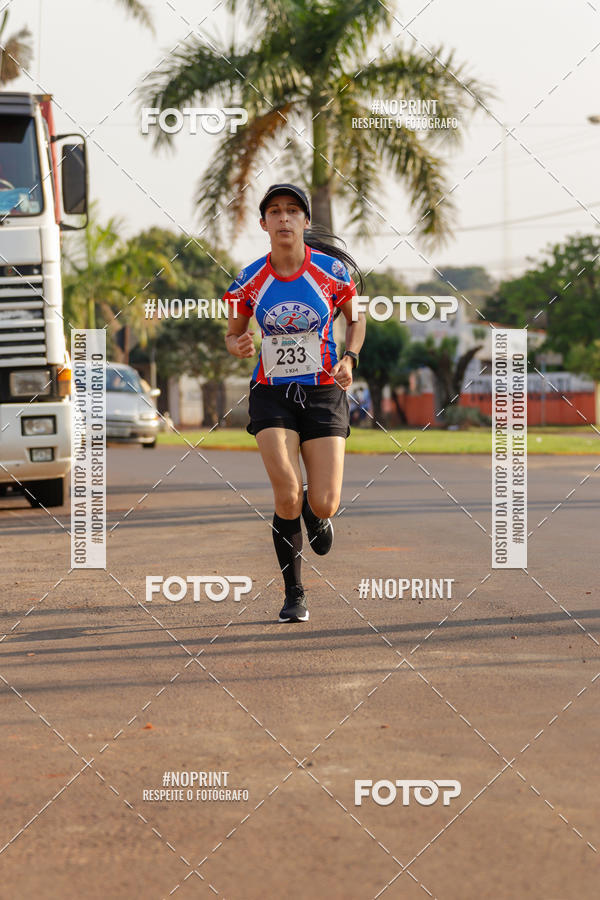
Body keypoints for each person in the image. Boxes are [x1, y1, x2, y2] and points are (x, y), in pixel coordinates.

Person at [223, 183, 366, 623]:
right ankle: (294, 594)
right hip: (272, 393)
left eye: (292, 211)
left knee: (322, 502)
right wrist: (239, 344)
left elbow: (356, 322)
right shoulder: (248, 279)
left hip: (324, 391)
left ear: (305, 221)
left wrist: (350, 357)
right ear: (263, 223)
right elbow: (233, 334)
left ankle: (315, 512)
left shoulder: (333, 274)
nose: (283, 218)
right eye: (275, 212)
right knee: (286, 493)